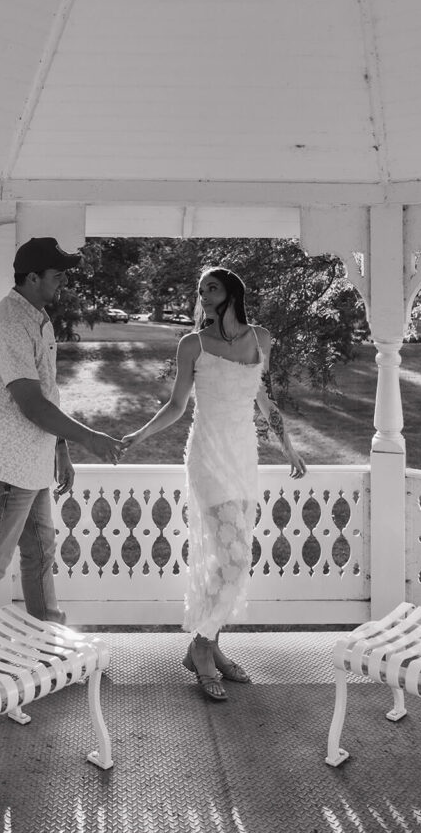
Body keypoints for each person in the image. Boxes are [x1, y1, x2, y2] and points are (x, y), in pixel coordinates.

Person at [121, 266, 306, 701]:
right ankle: (202, 649)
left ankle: (211, 646)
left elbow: (264, 398)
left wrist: (290, 448)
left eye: (212, 288)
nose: (204, 295)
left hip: (243, 455)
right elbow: (176, 405)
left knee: (229, 557)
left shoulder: (261, 340)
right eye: (201, 288)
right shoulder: (192, 345)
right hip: (206, 455)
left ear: (232, 294)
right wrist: (138, 436)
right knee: (234, 557)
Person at [0, 237, 122, 624]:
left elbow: (47, 391)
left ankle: (47, 645)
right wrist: (90, 438)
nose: (63, 281)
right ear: (32, 277)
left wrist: (60, 449)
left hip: (31, 467)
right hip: (2, 471)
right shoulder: (11, 324)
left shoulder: (37, 318)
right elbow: (30, 403)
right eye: (57, 275)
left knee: (41, 555)